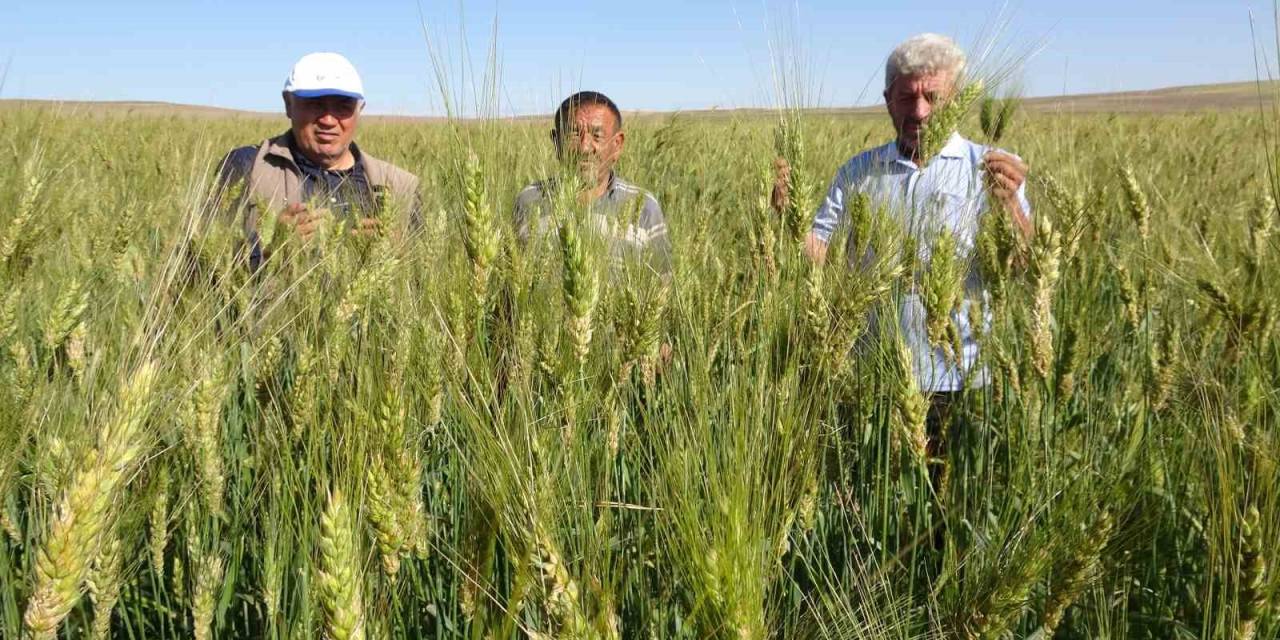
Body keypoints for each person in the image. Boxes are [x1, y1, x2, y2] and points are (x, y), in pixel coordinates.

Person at [778, 33, 1031, 432]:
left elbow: (1024, 269)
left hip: (961, 379)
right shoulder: (858, 172)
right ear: (887, 100)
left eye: (933, 96)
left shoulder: (991, 169)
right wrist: (786, 219)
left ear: (957, 98)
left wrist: (1011, 208)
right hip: (873, 373)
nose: (920, 110)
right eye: (906, 97)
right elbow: (819, 250)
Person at [215, 52, 421, 270]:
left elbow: (425, 279)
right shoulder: (246, 166)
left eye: (343, 106)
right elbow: (196, 267)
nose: (328, 120)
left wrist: (401, 255)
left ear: (360, 109)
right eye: (315, 104)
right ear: (288, 104)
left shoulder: (401, 186)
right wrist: (271, 251)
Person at [513, 91, 671, 274]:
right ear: (556, 142)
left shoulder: (643, 206)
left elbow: (662, 288)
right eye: (573, 134)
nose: (584, 147)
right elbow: (511, 287)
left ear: (617, 145)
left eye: (597, 136)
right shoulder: (529, 200)